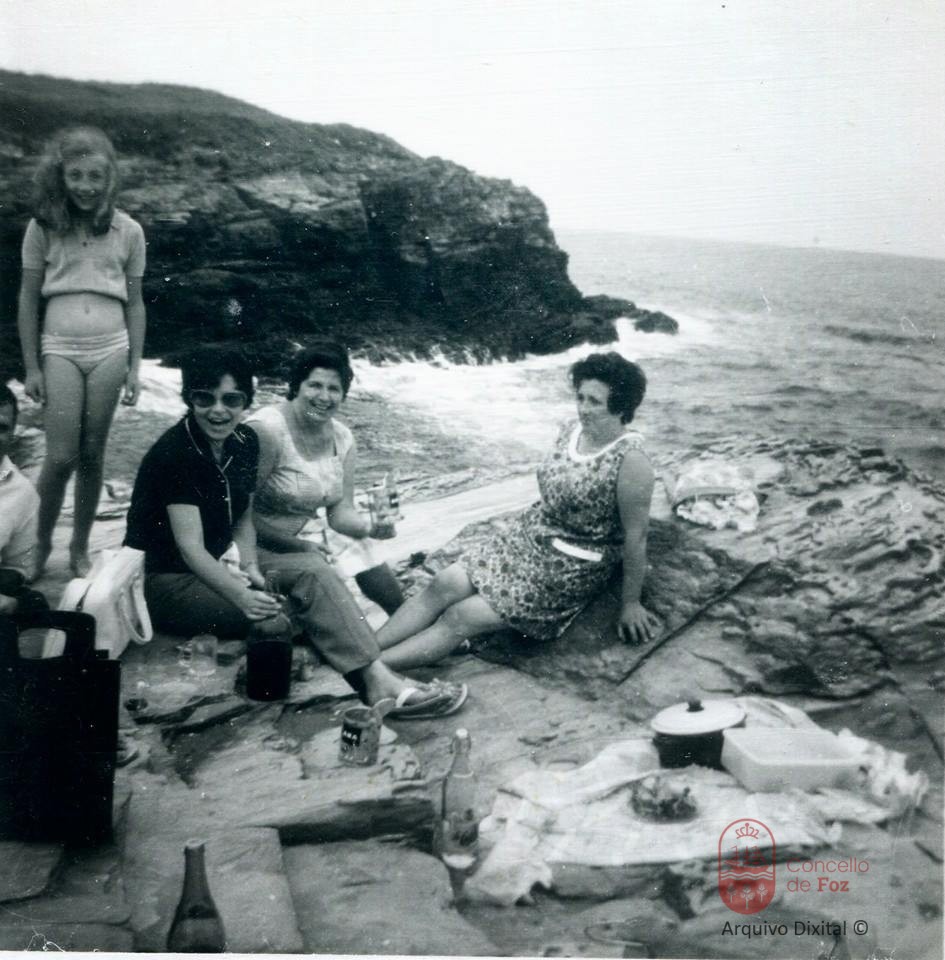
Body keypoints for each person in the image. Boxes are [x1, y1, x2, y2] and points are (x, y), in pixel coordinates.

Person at [124, 347, 466, 718]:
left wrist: (251, 567)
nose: (218, 410)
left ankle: (378, 678)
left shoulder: (242, 441)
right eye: (204, 398)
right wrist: (242, 595)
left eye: (232, 399)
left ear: (246, 400)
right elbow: (190, 549)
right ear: (188, 398)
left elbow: (242, 516)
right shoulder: (176, 454)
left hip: (224, 562)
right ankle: (378, 677)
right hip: (170, 583)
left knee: (315, 571)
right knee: (289, 614)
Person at [376, 352, 660, 670]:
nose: (583, 408)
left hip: (569, 567)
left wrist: (630, 602)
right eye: (580, 397)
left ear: (620, 407)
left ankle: (369, 670)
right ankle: (364, 651)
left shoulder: (631, 461)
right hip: (527, 540)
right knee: (444, 583)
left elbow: (636, 536)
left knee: (462, 615)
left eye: (595, 402)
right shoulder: (572, 430)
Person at [17, 126, 146, 580]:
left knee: (92, 454)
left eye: (95, 176)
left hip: (111, 348)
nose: (86, 186)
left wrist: (135, 367)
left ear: (110, 178)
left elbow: (135, 303)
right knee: (59, 456)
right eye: (76, 176)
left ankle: (78, 547)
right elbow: (28, 299)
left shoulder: (129, 230)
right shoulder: (42, 227)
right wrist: (31, 366)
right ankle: (38, 545)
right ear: (61, 176)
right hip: (59, 348)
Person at [246, 341, 405, 615]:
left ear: (343, 395)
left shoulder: (342, 437)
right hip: (254, 542)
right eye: (315, 385)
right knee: (327, 576)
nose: (324, 397)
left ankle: (404, 618)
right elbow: (237, 513)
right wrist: (298, 545)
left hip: (304, 534)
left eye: (334, 389)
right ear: (296, 386)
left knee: (362, 545)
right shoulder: (267, 430)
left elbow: (340, 514)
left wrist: (372, 528)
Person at [0, 385, 48, 622]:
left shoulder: (22, 493)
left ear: (12, 433)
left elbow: (16, 567)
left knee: (33, 603)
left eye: (1, 428)